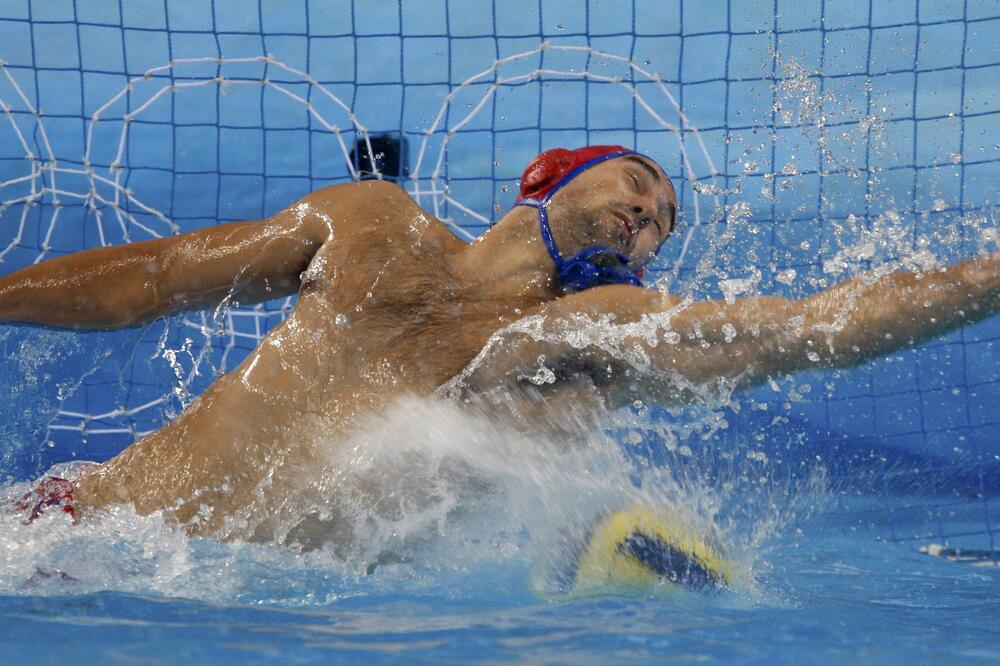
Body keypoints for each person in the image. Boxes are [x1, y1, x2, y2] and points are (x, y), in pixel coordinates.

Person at [1, 145, 998, 546]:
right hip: (75, 527)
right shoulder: (369, 225)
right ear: (550, 178)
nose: (648, 215)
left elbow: (810, 328)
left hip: (217, 603)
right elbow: (155, 279)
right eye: (638, 185)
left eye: (661, 224)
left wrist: (980, 283)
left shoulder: (584, 340)